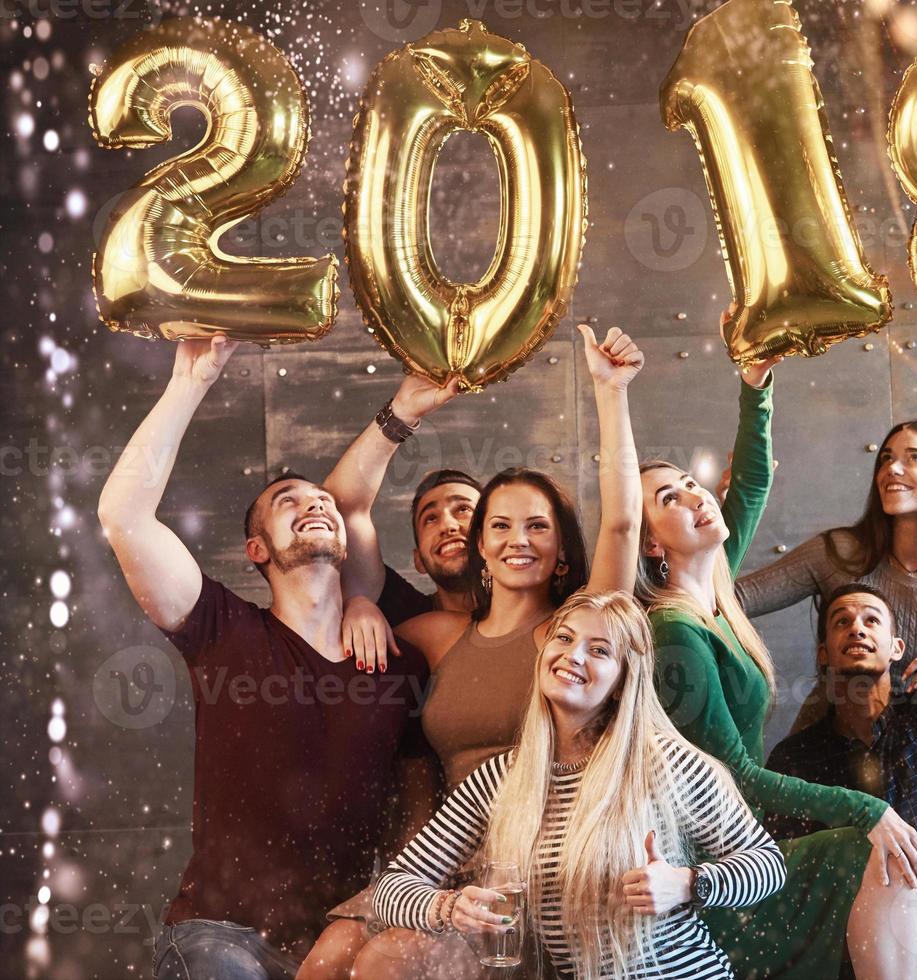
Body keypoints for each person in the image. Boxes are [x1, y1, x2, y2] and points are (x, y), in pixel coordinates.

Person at [97, 336, 432, 979]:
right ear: (257, 550)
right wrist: (190, 383)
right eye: (290, 502)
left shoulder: (399, 665)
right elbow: (123, 516)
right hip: (219, 935)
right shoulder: (222, 628)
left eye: (325, 502)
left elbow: (414, 810)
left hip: (343, 936)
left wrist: (379, 908)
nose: (316, 504)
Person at [346, 325, 645, 979]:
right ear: (479, 546)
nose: (518, 539)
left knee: (383, 964)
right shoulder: (435, 635)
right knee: (330, 957)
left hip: (540, 867)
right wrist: (359, 603)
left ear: (561, 548)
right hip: (451, 860)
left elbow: (623, 522)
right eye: (500, 526)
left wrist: (610, 391)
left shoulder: (572, 633)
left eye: (537, 526)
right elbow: (345, 527)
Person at [639, 355, 917, 980]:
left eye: (690, 482)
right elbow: (735, 779)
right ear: (651, 545)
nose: (693, 495)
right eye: (669, 497)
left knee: (884, 856)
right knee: (870, 850)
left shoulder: (713, 595)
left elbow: (748, 487)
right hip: (709, 872)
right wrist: (865, 808)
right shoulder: (675, 633)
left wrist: (755, 384)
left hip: (743, 847)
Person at [374, 590, 787, 979]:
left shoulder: (663, 763)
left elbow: (769, 865)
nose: (572, 656)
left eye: (599, 650)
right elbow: (391, 887)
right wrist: (448, 906)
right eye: (564, 638)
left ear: (622, 682)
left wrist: (688, 883)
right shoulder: (500, 778)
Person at [734, 418, 917, 854]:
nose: (892, 469)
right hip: (830, 747)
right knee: (781, 850)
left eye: (914, 458)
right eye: (886, 459)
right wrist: (724, 520)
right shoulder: (838, 553)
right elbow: (733, 597)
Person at [762, 478, 917, 980]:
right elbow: (785, 879)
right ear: (823, 654)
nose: (857, 628)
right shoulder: (795, 760)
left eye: (872, 620)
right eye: (841, 622)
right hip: (850, 958)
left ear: (896, 648)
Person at [324, 373, 479, 675]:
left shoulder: (542, 607)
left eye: (463, 509)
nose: (447, 524)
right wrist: (401, 415)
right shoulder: (404, 613)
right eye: (430, 518)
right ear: (418, 560)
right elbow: (341, 505)